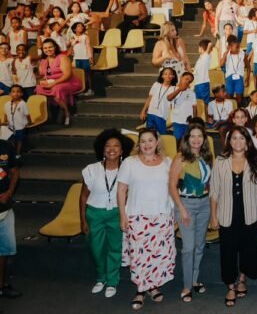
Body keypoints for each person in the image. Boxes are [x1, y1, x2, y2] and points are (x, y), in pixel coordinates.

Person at [117, 128, 175, 310]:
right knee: (140, 256)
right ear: (139, 144)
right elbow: (121, 190)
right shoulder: (130, 163)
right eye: (143, 141)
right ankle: (140, 291)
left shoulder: (168, 162)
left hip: (162, 216)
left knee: (157, 255)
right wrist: (122, 215)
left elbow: (173, 189)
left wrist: (175, 214)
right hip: (137, 217)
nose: (147, 144)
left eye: (150, 140)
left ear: (157, 142)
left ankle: (153, 286)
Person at [210, 126, 257, 307]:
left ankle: (242, 278)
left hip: (249, 213)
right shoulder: (220, 161)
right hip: (226, 214)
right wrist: (213, 216)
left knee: (247, 249)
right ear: (229, 141)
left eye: (241, 138)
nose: (237, 142)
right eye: (234, 138)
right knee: (228, 251)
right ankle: (230, 285)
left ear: (247, 141)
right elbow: (214, 191)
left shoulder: (256, 160)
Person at [80, 129, 134, 299]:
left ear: (122, 150)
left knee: (115, 248)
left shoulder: (128, 170)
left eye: (116, 145)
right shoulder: (91, 170)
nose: (112, 149)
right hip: (95, 214)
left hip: (117, 213)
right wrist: (83, 220)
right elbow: (83, 196)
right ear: (102, 149)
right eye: (107, 145)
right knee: (97, 249)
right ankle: (101, 278)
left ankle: (112, 281)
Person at [169, 123, 213, 303]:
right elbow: (172, 186)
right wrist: (181, 209)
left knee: (200, 245)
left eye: (199, 136)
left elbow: (209, 184)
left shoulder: (207, 157)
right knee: (188, 247)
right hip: (185, 204)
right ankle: (187, 286)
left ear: (204, 139)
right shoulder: (180, 157)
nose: (196, 139)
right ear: (187, 139)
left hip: (204, 204)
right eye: (192, 136)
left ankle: (194, 280)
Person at [35, 38, 83, 126]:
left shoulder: (62, 57)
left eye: (50, 47)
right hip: (51, 82)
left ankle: (67, 114)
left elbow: (67, 75)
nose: (48, 50)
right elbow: (42, 75)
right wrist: (40, 81)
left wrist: (54, 83)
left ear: (55, 47)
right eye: (45, 48)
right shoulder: (43, 61)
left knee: (57, 89)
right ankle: (46, 115)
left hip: (68, 82)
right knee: (39, 88)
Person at [0, 132, 20, 300]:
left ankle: (1, 286)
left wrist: (9, 192)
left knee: (4, 250)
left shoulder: (6, 147)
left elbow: (15, 172)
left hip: (4, 209)